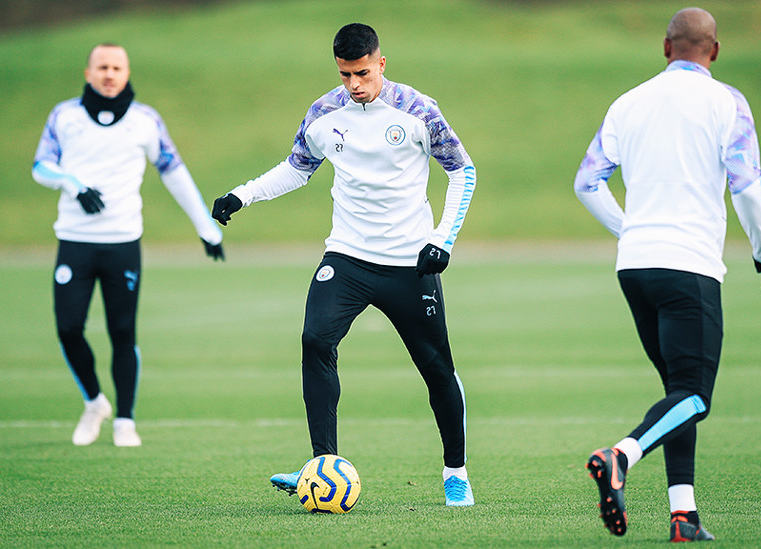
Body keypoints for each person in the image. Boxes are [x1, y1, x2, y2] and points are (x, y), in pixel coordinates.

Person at [212, 23, 477, 506]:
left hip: (409, 263)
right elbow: (296, 168)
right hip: (348, 257)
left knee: (437, 368)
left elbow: (463, 170)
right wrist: (242, 195)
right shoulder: (324, 111)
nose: (353, 85)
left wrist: (443, 238)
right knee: (315, 339)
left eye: (361, 73)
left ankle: (455, 472)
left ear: (381, 63)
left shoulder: (417, 110)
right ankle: (321, 466)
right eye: (344, 74)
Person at [573, 8, 761, 542]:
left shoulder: (629, 102)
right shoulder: (726, 102)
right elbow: (747, 186)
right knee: (696, 396)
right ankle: (619, 456)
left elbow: (587, 183)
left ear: (666, 48)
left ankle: (684, 517)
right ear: (714, 51)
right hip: (688, 266)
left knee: (677, 394)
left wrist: (632, 230)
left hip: (635, 266)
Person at [32, 43, 224, 447]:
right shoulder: (64, 116)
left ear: (126, 72)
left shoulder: (144, 121)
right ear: (88, 73)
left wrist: (206, 227)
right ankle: (94, 401)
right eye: (101, 66)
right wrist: (73, 184)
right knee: (68, 328)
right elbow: (41, 165)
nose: (108, 73)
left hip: (122, 243)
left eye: (116, 67)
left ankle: (124, 420)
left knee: (123, 331)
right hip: (75, 241)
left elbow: (174, 172)